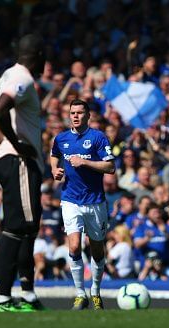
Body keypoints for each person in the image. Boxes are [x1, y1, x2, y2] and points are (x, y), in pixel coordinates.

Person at [0, 34, 47, 312]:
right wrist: (15, 143)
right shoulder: (23, 78)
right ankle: (3, 297)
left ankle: (28, 294)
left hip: (15, 160)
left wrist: (2, 140)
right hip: (19, 162)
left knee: (28, 227)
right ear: (36, 57)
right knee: (17, 227)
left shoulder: (9, 73)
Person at [50, 99, 115, 310]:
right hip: (70, 200)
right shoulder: (61, 138)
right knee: (75, 245)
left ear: (88, 115)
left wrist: (85, 161)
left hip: (95, 201)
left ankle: (95, 290)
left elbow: (111, 167)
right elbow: (54, 155)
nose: (75, 116)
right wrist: (54, 170)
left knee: (97, 248)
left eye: (79, 112)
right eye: (72, 113)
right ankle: (80, 293)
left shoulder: (97, 137)